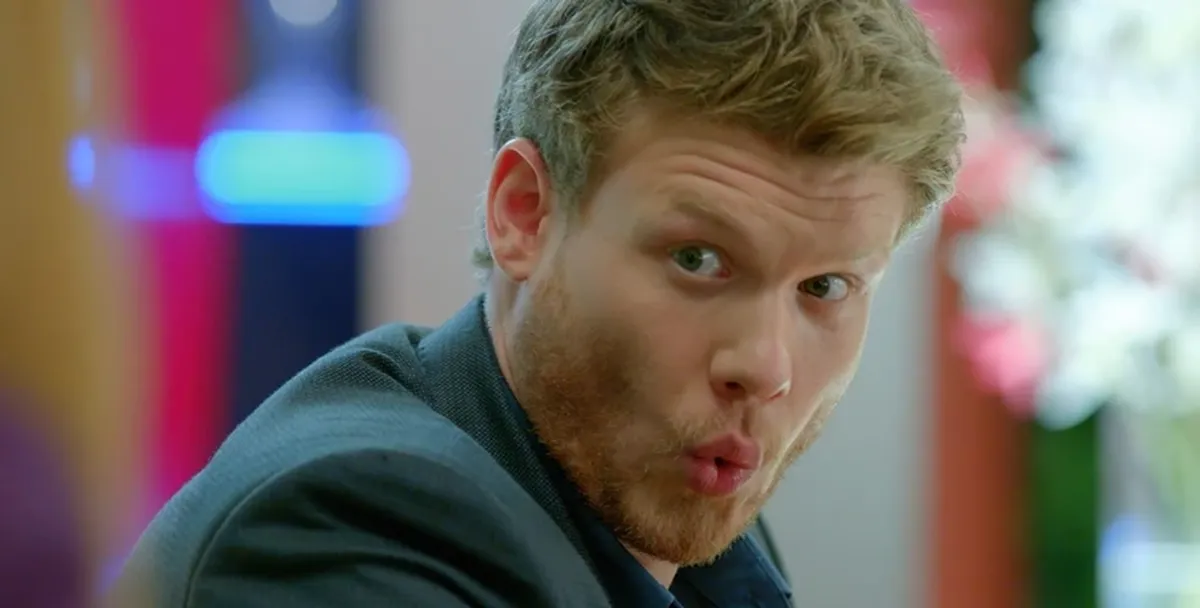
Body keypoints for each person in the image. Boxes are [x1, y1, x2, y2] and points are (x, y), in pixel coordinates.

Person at [110, 0, 964, 605]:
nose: (765, 366)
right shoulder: (358, 527)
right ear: (524, 213)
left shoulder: (688, 520)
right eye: (698, 260)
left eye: (825, 288)